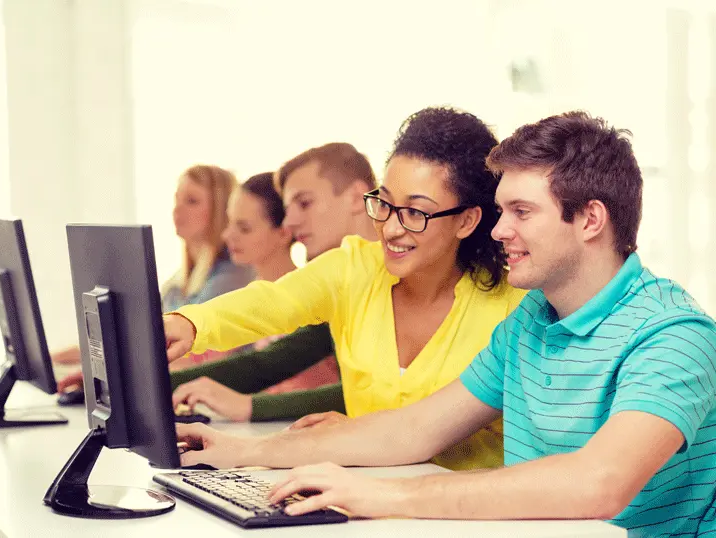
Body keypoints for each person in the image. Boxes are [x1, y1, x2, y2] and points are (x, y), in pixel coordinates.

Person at [170, 112, 716, 537]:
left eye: (521, 213)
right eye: (501, 211)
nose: (499, 231)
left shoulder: (673, 336)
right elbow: (413, 429)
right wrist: (243, 453)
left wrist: (387, 496)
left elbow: (599, 483)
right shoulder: (532, 321)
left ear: (591, 219)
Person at [165, 107, 527, 471]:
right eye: (385, 203)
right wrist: (189, 324)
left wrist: (353, 432)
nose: (391, 228)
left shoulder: (513, 308)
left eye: (416, 213)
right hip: (363, 503)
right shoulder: (352, 270)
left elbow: (420, 432)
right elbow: (273, 301)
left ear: (466, 220)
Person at [167, 143, 378, 422]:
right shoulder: (342, 276)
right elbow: (269, 361)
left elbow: (371, 396)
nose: (290, 221)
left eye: (304, 203)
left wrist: (250, 406)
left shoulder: (391, 276)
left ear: (355, 197)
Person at [54, 165, 254, 385]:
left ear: (220, 210)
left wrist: (103, 373)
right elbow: (137, 342)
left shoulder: (232, 277)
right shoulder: (179, 281)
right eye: (176, 199)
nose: (177, 209)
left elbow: (193, 361)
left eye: (192, 201)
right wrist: (57, 359)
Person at [174, 171, 341, 392]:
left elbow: (264, 369)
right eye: (229, 223)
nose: (227, 236)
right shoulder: (248, 295)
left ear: (283, 233)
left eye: (244, 228)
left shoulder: (311, 302)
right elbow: (210, 356)